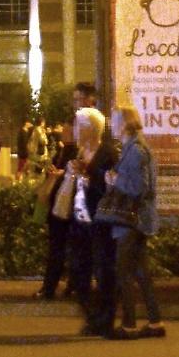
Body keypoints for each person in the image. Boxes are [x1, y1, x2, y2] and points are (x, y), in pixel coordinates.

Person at [106, 105, 165, 340]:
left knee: (124, 272)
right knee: (141, 272)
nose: (111, 125)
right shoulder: (133, 148)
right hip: (138, 220)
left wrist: (115, 179)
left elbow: (140, 188)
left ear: (124, 124)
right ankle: (155, 321)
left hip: (131, 220)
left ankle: (129, 324)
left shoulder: (136, 151)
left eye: (114, 121)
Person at [69, 106, 119, 337]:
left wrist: (89, 176)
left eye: (78, 125)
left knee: (103, 271)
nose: (74, 129)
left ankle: (104, 319)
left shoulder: (107, 153)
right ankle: (92, 316)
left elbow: (111, 186)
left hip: (100, 221)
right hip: (80, 221)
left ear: (90, 129)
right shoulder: (80, 152)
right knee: (79, 271)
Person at [35, 113, 78, 300]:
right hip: (59, 207)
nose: (62, 130)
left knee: (59, 250)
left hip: (64, 210)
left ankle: (51, 288)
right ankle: (67, 286)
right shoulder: (66, 150)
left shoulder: (74, 151)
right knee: (62, 249)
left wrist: (58, 175)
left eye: (66, 128)